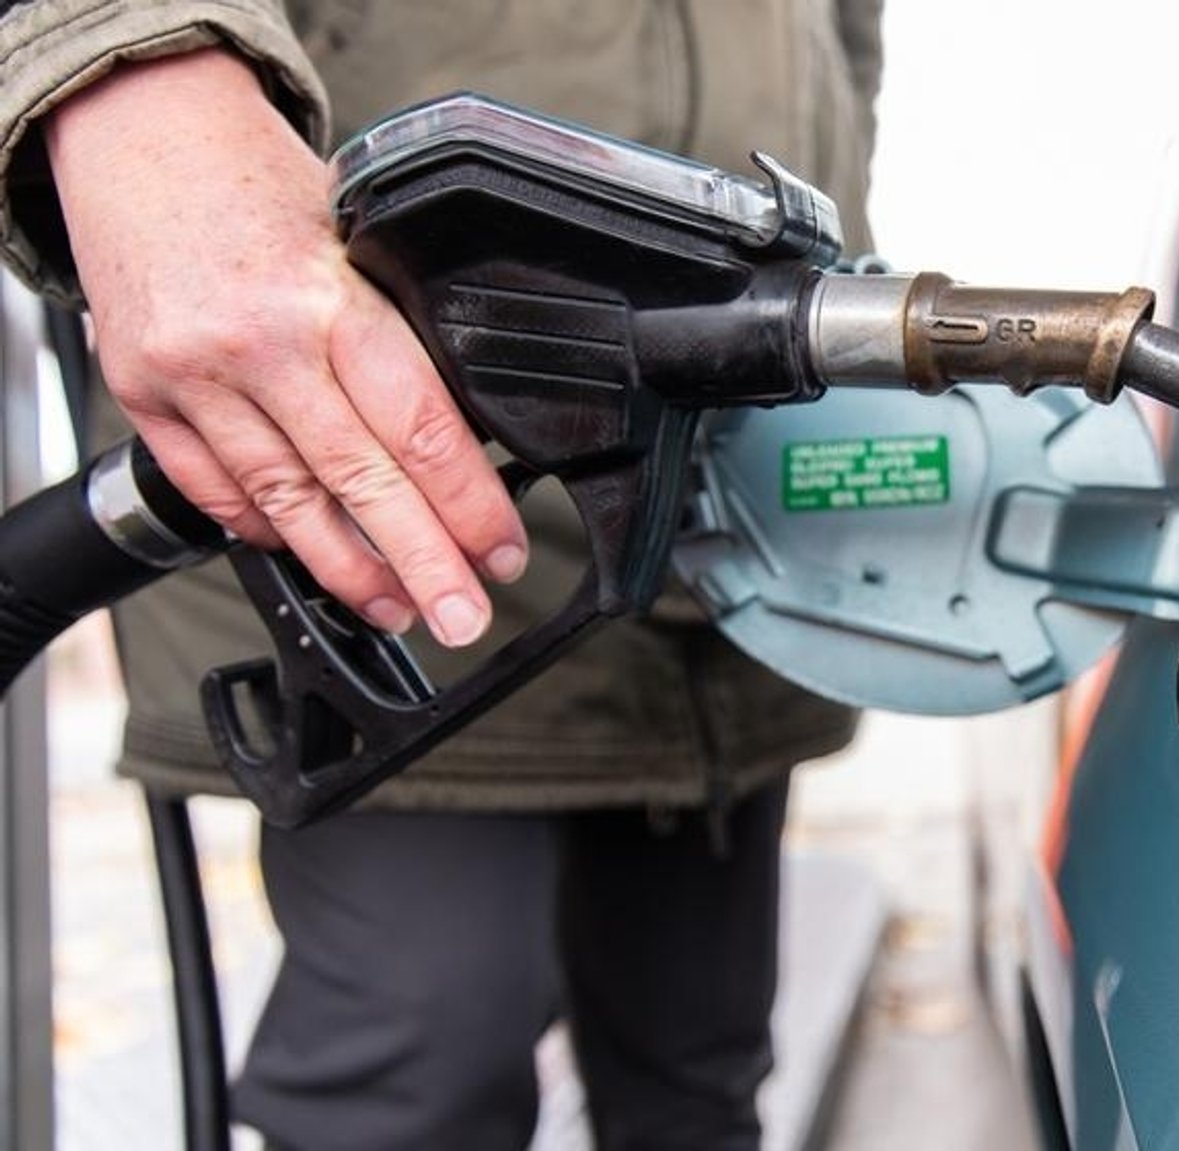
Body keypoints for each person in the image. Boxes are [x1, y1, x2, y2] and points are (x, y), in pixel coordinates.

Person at [0, 2, 883, 1146]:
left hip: (724, 496)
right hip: (365, 491)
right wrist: (123, 62)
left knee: (697, 1055)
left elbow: (849, 45)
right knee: (426, 1050)